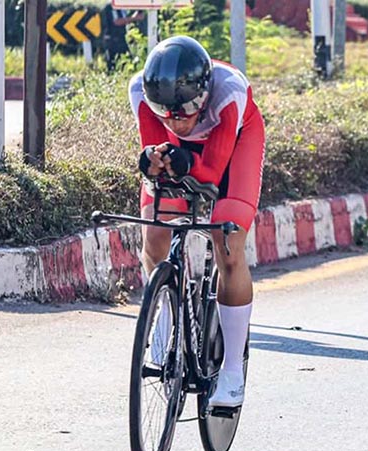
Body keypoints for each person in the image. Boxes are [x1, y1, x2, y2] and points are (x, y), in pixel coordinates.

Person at [129, 36, 265, 408]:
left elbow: (210, 174)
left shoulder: (229, 92)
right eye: (166, 114)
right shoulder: (142, 92)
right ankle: (165, 313)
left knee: (228, 244)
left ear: (201, 98)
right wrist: (152, 163)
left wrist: (184, 162)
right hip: (185, 155)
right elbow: (156, 162)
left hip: (234, 148)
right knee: (156, 230)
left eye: (183, 113)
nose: (176, 121)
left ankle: (233, 370)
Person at [102, 5, 144, 72]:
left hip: (121, 39)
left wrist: (134, 16)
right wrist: (134, 18)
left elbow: (124, 20)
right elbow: (117, 21)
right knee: (114, 66)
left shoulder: (121, 7)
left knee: (127, 62)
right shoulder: (112, 7)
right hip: (113, 41)